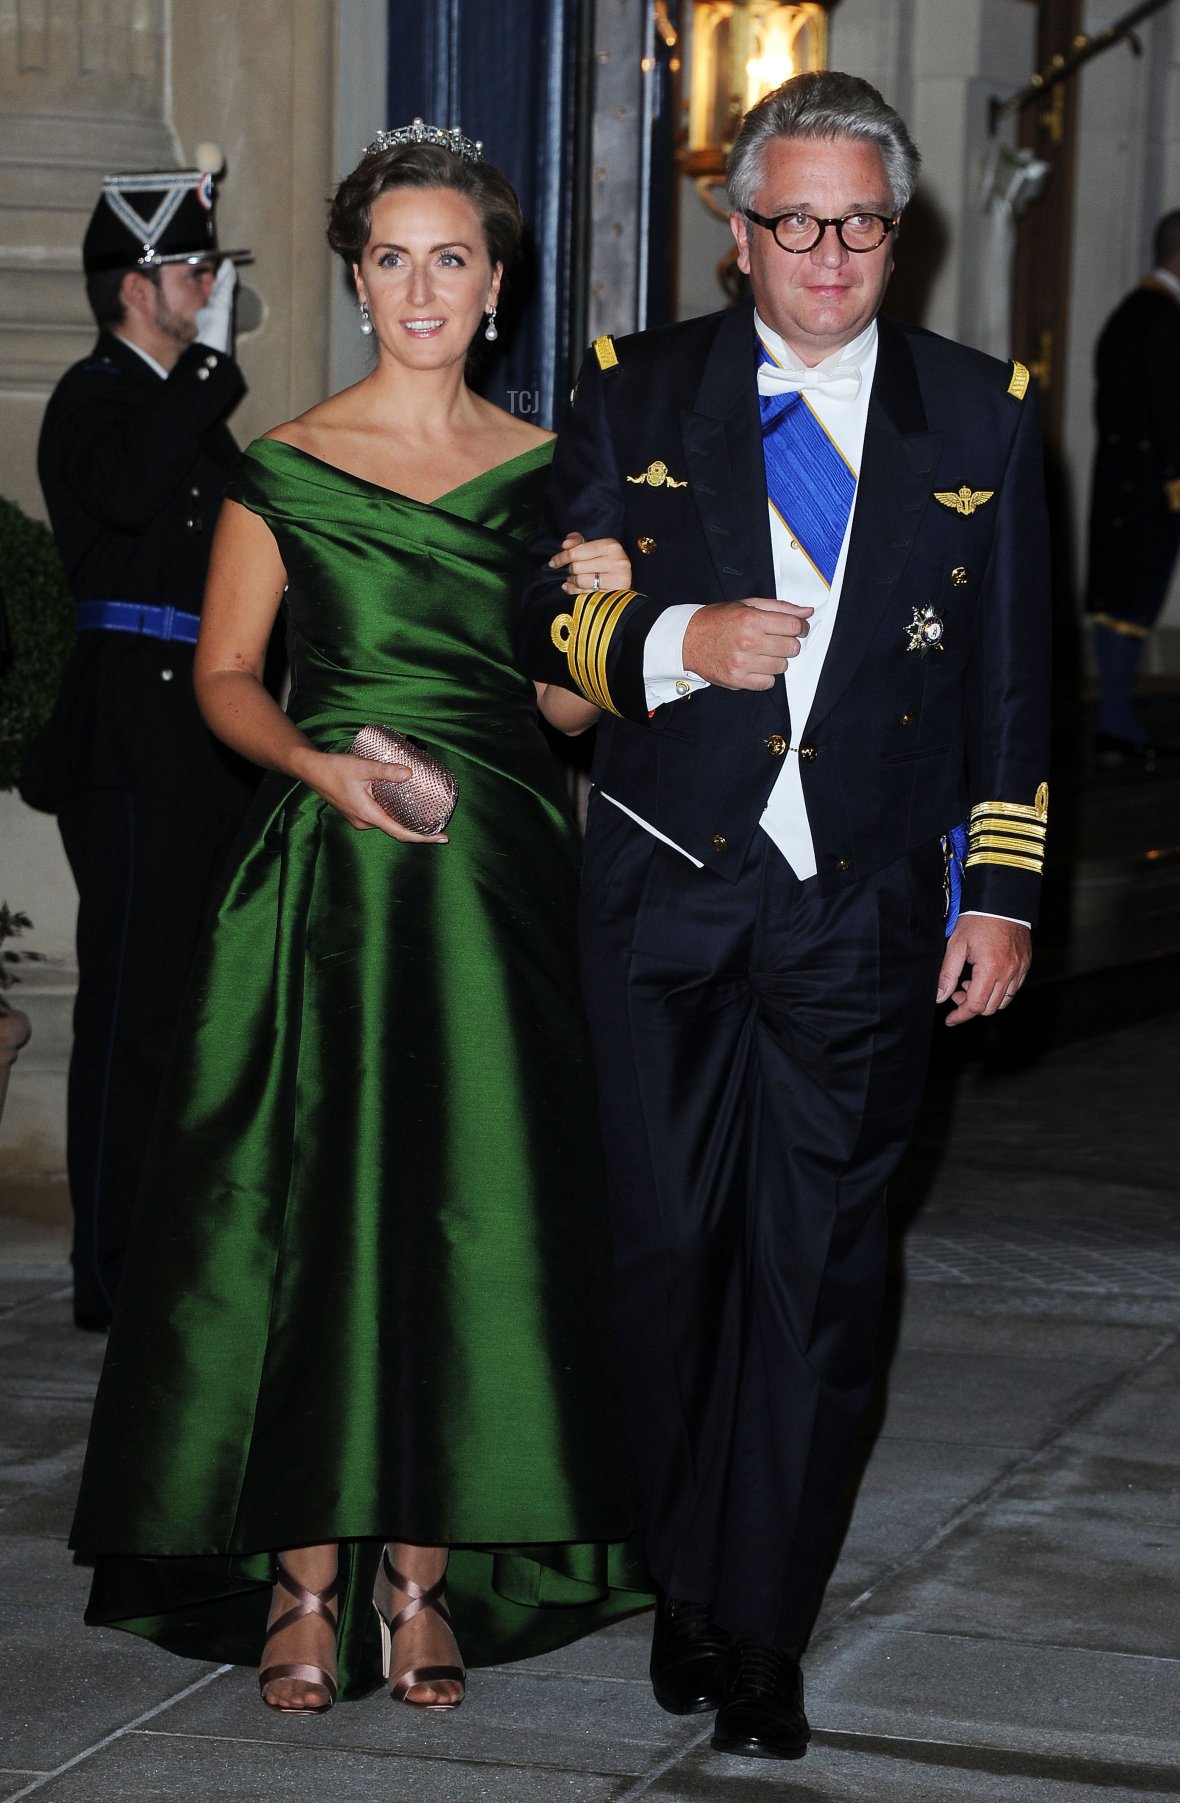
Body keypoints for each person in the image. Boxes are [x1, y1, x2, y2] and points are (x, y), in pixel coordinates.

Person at [70, 122, 647, 1714]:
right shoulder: (288, 460)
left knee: (472, 1222)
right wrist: (325, 771)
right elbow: (224, 678)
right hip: (326, 885)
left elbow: (565, 717)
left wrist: (592, 603)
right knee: (314, 1223)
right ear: (355, 277)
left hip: (496, 887)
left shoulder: (549, 473)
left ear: (496, 285)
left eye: (448, 257)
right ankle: (303, 1579)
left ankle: (423, 1578)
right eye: (390, 257)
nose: (419, 285)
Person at [518, 71, 1051, 1763]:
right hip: (669, 893)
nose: (830, 255)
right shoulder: (634, 389)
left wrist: (1008, 895)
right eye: (797, 221)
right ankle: (679, 1562)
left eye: (864, 223)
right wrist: (679, 640)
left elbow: (1013, 685)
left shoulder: (981, 416)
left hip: (868, 907)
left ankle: (760, 1626)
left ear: (904, 234)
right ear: (737, 231)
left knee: (820, 1284)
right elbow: (547, 636)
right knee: (666, 1258)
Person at [20, 164, 258, 1331]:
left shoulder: (181, 412)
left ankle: (168, 1249)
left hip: (199, 744)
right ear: (135, 285)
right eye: (193, 268)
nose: (210, 286)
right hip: (127, 746)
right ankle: (108, 1276)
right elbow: (120, 498)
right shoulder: (99, 397)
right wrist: (206, 370)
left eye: (212, 268)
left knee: (185, 1015)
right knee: (129, 1016)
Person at [1085, 208, 1180, 767]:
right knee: (1132, 604)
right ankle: (1116, 724)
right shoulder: (1167, 321)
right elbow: (1176, 419)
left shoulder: (1128, 314)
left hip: (1119, 484)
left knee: (1118, 603)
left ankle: (1116, 720)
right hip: (1154, 488)